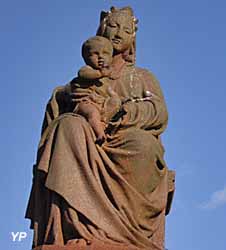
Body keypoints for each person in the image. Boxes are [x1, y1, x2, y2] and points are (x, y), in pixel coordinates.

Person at [26, 6, 172, 250]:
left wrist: (121, 111)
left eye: (125, 30)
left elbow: (159, 111)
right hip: (88, 137)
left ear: (132, 39)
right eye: (113, 26)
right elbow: (62, 99)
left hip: (125, 135)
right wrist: (68, 96)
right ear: (103, 29)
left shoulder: (143, 77)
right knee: (68, 127)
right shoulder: (83, 77)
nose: (117, 33)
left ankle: (123, 234)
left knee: (144, 145)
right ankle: (79, 229)